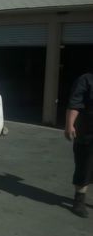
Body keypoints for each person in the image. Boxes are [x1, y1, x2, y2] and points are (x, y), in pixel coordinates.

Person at [64, 71, 93, 218]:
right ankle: (79, 201)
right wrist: (69, 125)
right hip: (88, 133)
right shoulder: (86, 80)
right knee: (84, 166)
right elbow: (75, 104)